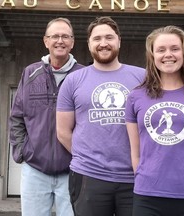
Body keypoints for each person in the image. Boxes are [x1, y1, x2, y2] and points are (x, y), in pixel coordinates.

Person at [125, 25, 184, 216]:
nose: (168, 54)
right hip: (148, 197)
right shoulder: (136, 97)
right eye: (161, 50)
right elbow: (135, 153)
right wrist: (145, 177)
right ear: (152, 56)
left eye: (175, 49)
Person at [56, 16, 145, 216]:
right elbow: (62, 131)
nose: (103, 43)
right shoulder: (73, 81)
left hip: (135, 177)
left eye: (109, 38)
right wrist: (87, 157)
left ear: (119, 41)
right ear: (89, 44)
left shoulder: (143, 78)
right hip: (88, 176)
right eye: (97, 39)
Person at [9, 17, 84, 216]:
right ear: (46, 41)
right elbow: (17, 116)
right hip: (35, 170)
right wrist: (22, 151)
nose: (60, 41)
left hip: (73, 171)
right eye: (55, 36)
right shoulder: (31, 73)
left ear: (72, 42)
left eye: (65, 36)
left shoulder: (84, 76)